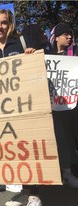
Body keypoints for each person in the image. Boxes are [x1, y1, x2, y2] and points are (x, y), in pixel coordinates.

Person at [0, 9, 42, 206]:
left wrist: (31, 56)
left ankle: (35, 197)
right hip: (3, 112)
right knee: (15, 153)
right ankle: (25, 193)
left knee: (28, 151)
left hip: (25, 107)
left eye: (4, 23)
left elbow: (35, 70)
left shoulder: (21, 43)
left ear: (10, 24)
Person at [49, 23, 78, 188]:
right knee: (63, 140)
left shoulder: (75, 52)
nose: (69, 37)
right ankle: (68, 172)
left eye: (70, 34)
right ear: (56, 37)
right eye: (65, 34)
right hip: (57, 107)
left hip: (74, 104)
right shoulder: (46, 55)